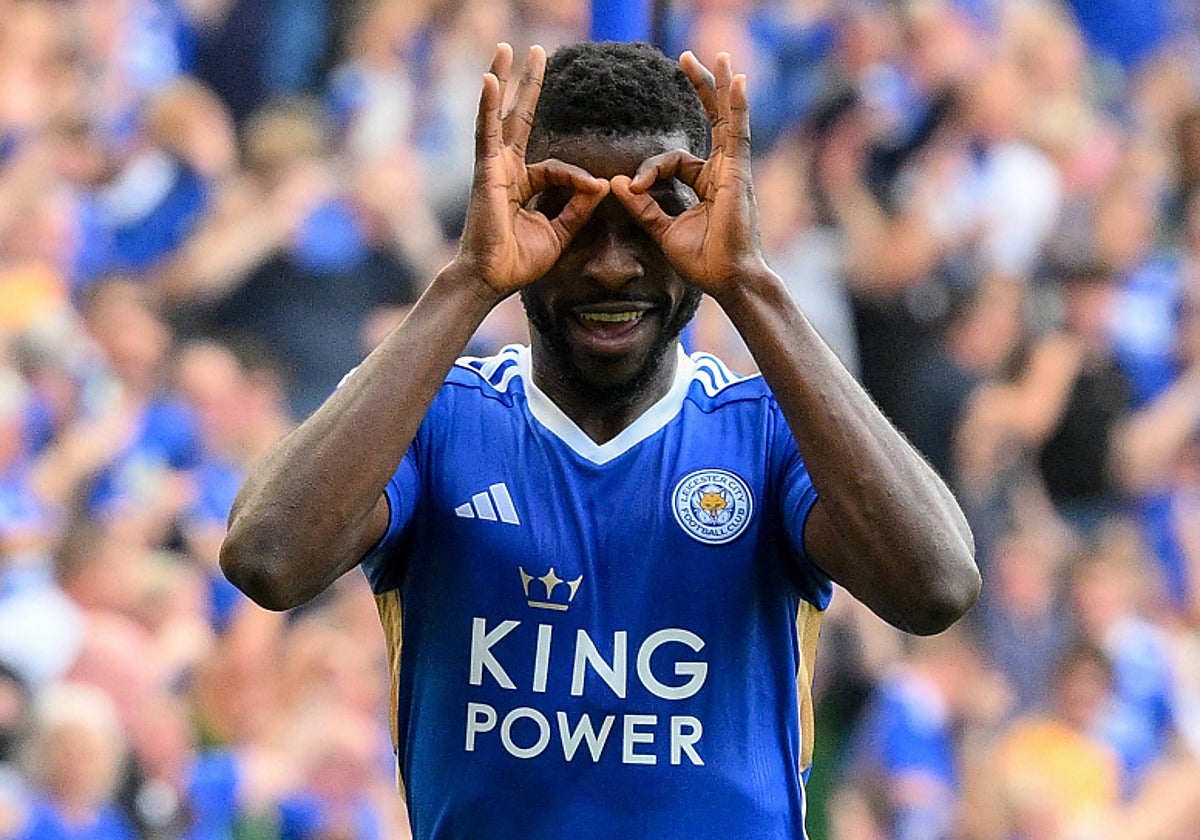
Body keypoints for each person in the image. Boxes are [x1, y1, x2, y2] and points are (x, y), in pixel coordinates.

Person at [219, 40, 980, 839]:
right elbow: (268, 558)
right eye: (569, 217)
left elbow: (935, 587)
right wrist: (468, 280)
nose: (612, 266)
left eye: (655, 219)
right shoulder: (434, 418)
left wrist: (749, 281)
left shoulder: (769, 430)